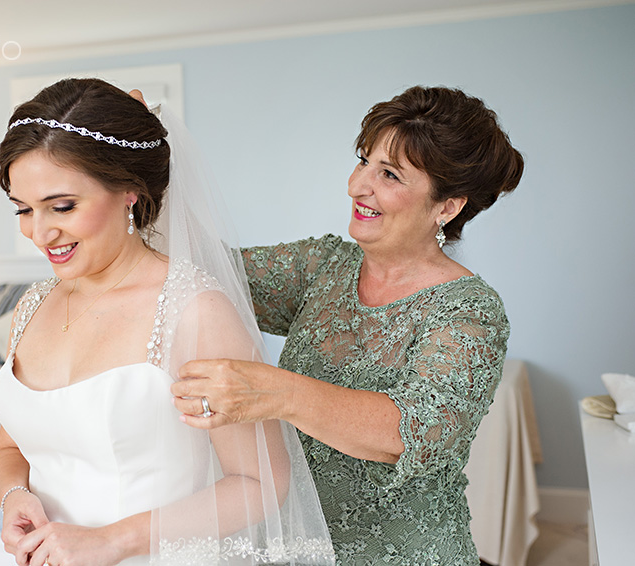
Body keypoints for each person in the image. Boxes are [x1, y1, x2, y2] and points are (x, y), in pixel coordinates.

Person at [0, 78, 335, 566]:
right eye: (23, 209)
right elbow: (11, 449)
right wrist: (14, 497)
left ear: (129, 191)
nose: (40, 232)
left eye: (62, 206)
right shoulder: (31, 306)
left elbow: (260, 483)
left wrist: (114, 541)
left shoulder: (194, 311)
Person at [171, 85, 524, 565]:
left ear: (447, 207)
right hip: (300, 546)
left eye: (390, 175)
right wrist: (146, 167)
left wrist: (275, 391)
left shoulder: (469, 310)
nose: (359, 185)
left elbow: (407, 433)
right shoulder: (323, 265)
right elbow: (208, 270)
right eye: (364, 161)